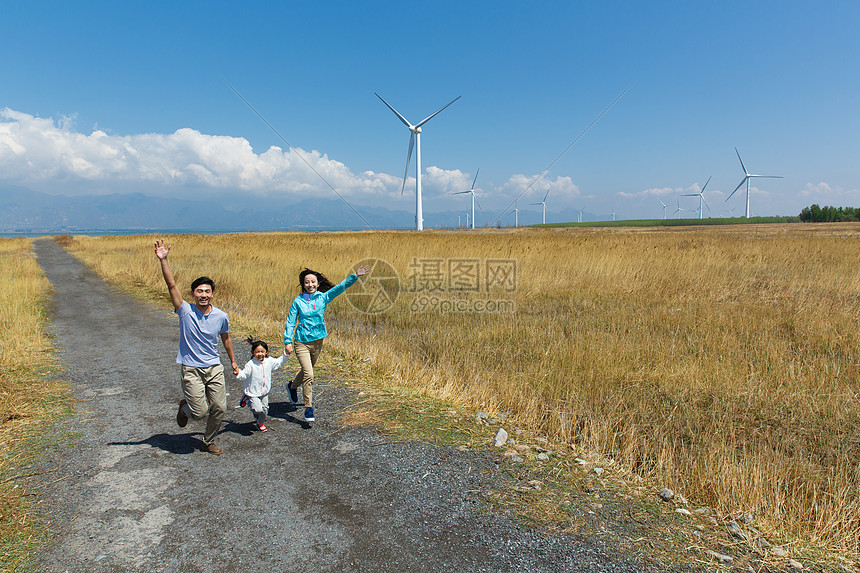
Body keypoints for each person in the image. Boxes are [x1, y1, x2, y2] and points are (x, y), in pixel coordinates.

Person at [155, 238, 239, 455]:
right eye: (199, 291)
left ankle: (208, 440)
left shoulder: (221, 316)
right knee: (199, 413)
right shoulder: (185, 311)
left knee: (220, 408)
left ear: (212, 293)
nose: (203, 295)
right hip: (191, 368)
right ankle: (185, 408)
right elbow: (171, 285)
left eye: (207, 291)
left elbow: (226, 338)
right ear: (193, 294)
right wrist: (164, 260)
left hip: (214, 367)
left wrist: (232, 361)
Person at [284, 265, 370, 422]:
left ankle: (292, 386)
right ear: (303, 284)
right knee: (309, 374)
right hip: (301, 342)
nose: (310, 285)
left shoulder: (323, 298)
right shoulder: (298, 301)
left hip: (318, 341)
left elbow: (340, 288)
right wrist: (287, 341)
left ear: (317, 283)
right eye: (307, 282)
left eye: (313, 282)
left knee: (306, 372)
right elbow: (291, 322)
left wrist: (355, 276)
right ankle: (308, 407)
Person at [236, 337, 288, 432]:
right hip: (252, 393)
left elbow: (279, 362)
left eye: (262, 351)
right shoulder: (250, 364)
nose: (260, 354)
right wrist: (237, 372)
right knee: (258, 409)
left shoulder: (269, 361)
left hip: (264, 392)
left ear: (266, 352)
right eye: (257, 352)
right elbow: (243, 375)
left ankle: (260, 423)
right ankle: (247, 398)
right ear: (253, 353)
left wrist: (286, 354)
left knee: (265, 410)